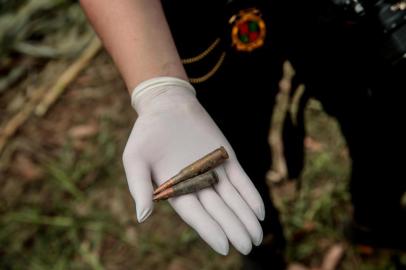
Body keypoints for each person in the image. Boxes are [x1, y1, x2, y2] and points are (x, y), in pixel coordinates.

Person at [80, 0, 406, 269]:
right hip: (202, 23)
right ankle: (264, 251)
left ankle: (376, 219)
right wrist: (159, 88)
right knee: (236, 148)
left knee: (377, 113)